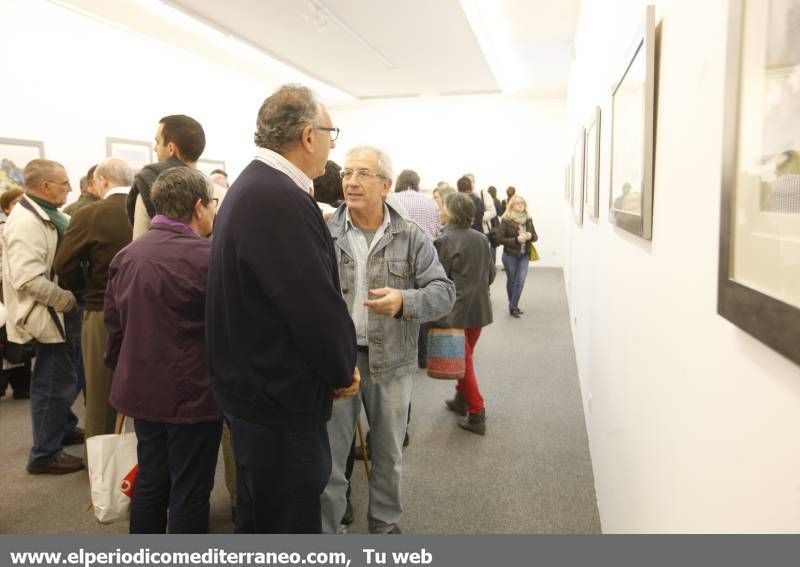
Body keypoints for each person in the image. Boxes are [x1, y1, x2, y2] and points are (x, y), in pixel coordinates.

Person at [207, 84, 358, 534]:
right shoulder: (278, 197)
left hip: (255, 390)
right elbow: (311, 304)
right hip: (277, 399)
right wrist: (340, 367)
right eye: (332, 132)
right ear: (310, 135)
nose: (333, 144)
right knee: (287, 524)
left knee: (260, 517)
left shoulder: (254, 185)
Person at [321, 145, 455, 534]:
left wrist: (404, 301)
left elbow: (444, 292)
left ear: (385, 184)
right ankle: (329, 532)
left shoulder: (410, 235)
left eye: (362, 173)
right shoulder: (325, 232)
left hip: (393, 361)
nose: (351, 181)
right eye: (347, 173)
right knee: (329, 458)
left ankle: (384, 524)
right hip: (338, 361)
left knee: (389, 454)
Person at [105, 167, 220, 533]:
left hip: (142, 389)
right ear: (199, 207)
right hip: (193, 394)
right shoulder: (208, 258)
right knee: (190, 486)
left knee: (151, 479)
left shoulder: (127, 255)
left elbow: (115, 328)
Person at [3, 159, 83, 474]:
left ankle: (63, 428)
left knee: (65, 376)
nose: (70, 188)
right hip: (49, 314)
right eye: (65, 183)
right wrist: (66, 301)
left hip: (58, 312)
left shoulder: (46, 213)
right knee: (52, 383)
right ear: (45, 186)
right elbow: (26, 277)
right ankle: (45, 454)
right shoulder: (26, 221)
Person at [54, 158, 133, 442]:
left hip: (102, 310)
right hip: (150, 312)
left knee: (101, 396)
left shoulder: (90, 214)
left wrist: (83, 289)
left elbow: (63, 264)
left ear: (101, 182)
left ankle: (102, 472)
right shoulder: (147, 209)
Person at [434, 192, 494, 435]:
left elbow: (438, 280)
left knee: (464, 362)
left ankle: (477, 412)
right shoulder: (481, 238)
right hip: (478, 309)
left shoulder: (444, 240)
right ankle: (462, 399)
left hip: (454, 312)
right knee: (465, 359)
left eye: (443, 207)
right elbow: (491, 275)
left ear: (451, 212)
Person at [393, 168, 441, 371]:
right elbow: (438, 231)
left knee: (400, 303)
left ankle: (400, 354)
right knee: (421, 303)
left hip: (398, 257)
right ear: (417, 182)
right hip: (426, 257)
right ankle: (423, 356)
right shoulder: (430, 202)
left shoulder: (393, 199)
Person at [127, 114, 206, 239]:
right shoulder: (221, 194)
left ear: (171, 149)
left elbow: (139, 245)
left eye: (157, 142)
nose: (154, 148)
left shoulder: (148, 188)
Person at [0, 188, 29, 400]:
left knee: (20, 339)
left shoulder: (26, 227)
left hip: (18, 290)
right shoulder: (5, 228)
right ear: (6, 208)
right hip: (3, 292)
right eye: (16, 202)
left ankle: (22, 385)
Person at [494, 195, 538, 318]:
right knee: (512, 281)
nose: (521, 205)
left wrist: (531, 236)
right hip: (510, 256)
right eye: (518, 203)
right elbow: (499, 239)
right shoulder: (506, 220)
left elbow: (536, 236)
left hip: (524, 255)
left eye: (522, 203)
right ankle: (513, 305)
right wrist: (516, 239)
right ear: (512, 206)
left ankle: (513, 306)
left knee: (520, 280)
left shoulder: (528, 219)